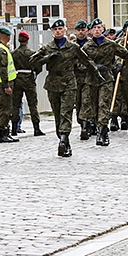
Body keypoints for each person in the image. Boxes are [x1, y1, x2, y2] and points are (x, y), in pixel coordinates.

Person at [30, 18, 99, 158]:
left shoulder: (73, 47)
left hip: (69, 82)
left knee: (66, 112)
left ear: (65, 30)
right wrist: (48, 58)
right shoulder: (47, 47)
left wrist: (97, 73)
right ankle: (63, 139)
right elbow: (32, 61)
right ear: (52, 31)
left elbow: (86, 61)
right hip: (53, 83)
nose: (58, 31)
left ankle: (63, 139)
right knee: (57, 113)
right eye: (55, 29)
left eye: (60, 29)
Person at [11, 31, 43, 136]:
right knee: (33, 104)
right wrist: (34, 74)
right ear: (27, 41)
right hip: (29, 79)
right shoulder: (32, 53)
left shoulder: (13, 53)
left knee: (16, 104)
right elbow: (38, 67)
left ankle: (14, 128)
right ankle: (36, 128)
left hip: (17, 78)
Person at [0, 27, 18, 143]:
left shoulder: (1, 48)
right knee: (5, 109)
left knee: (7, 108)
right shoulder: (2, 50)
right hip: (2, 84)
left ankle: (5, 131)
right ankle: (2, 133)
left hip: (1, 83)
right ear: (6, 37)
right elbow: (2, 69)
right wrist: (6, 85)